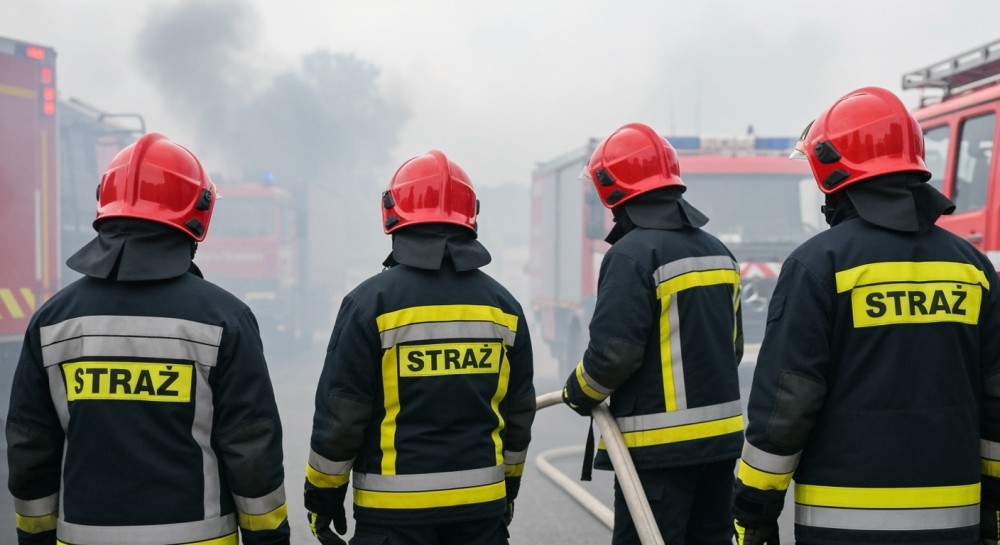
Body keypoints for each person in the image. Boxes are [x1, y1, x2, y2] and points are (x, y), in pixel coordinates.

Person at [732, 86, 1000, 545]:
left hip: (843, 527)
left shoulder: (817, 266)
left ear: (833, 171)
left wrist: (752, 513)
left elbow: (786, 408)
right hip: (955, 527)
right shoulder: (972, 268)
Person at [6, 133, 290, 545]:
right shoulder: (225, 319)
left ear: (105, 205)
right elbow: (250, 447)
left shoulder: (52, 322)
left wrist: (35, 537)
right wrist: (269, 539)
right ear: (199, 213)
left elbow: (30, 446)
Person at [304, 150, 536, 545]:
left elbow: (342, 417)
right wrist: (507, 490)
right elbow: (519, 414)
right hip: (482, 515)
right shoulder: (504, 308)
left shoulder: (369, 305)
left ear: (392, 213)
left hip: (393, 518)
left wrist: (322, 498)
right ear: (470, 216)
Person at [561, 122, 745, 545]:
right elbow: (731, 348)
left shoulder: (630, 255)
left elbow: (614, 356)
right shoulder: (718, 251)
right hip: (720, 447)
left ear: (611, 189)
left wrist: (578, 392)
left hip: (659, 452)